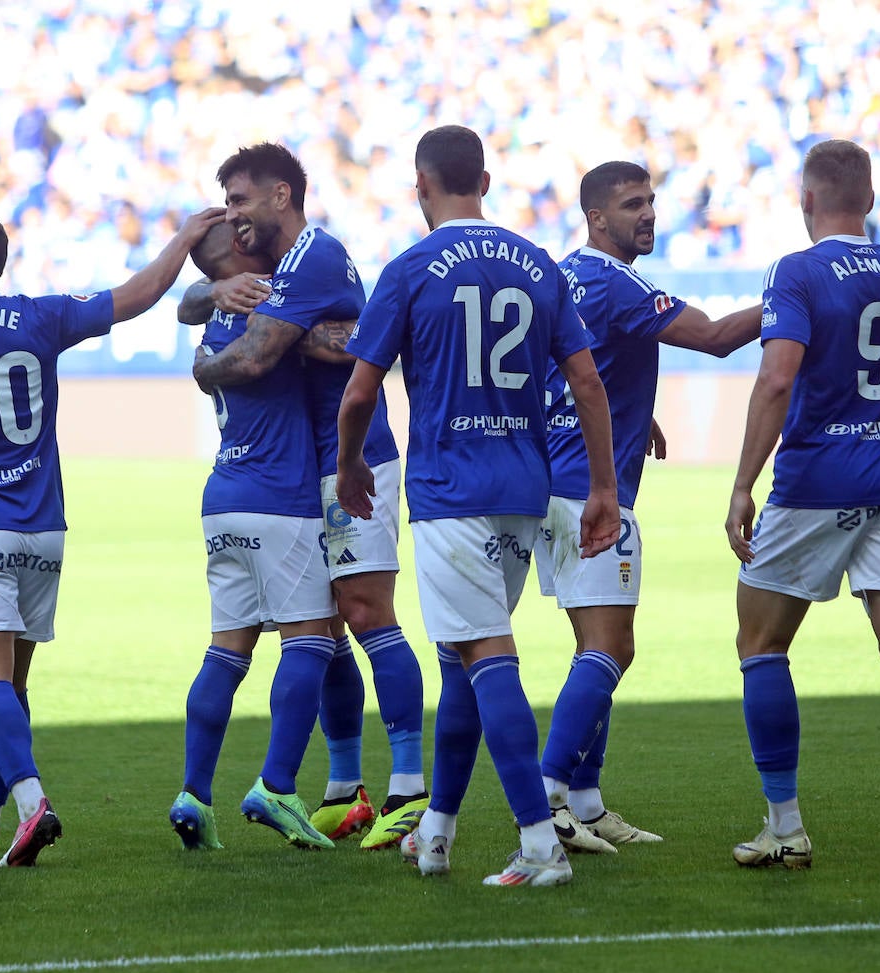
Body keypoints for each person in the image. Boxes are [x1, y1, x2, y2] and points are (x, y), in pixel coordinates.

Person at [0, 202, 226, 867]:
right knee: (12, 687)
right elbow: (136, 297)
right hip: (43, 535)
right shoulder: (39, 316)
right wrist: (184, 238)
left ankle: (33, 806)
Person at [336, 124, 619, 888]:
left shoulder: (410, 268)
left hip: (449, 492)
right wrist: (602, 488)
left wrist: (349, 463)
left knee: (486, 656)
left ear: (421, 186)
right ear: (484, 182)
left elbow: (361, 389)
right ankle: (437, 830)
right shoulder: (536, 263)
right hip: (522, 490)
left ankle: (539, 843)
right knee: (462, 661)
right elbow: (588, 384)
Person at [722, 139, 880, 876]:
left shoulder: (796, 271)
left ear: (808, 199)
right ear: (866, 199)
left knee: (760, 644)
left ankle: (786, 826)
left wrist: (740, 485)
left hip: (816, 481)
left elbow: (775, 380)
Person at [190, 143, 426, 849]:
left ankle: (411, 788)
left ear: (281, 196)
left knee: (365, 610)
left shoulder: (314, 256)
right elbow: (225, 307)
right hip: (312, 466)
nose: (233, 217)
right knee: (321, 628)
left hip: (356, 460)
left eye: (240, 200)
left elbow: (260, 354)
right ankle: (344, 789)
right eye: (227, 205)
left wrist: (207, 367)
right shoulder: (278, 272)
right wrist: (212, 295)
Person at [536, 161, 762, 852]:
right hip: (591, 491)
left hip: (550, 482)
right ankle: (545, 797)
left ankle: (587, 801)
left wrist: (636, 413)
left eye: (651, 202)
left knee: (591, 648)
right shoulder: (614, 282)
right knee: (612, 647)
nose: (649, 214)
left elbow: (573, 365)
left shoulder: (557, 275)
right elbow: (719, 337)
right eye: (633, 205)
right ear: (597, 218)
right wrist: (794, 296)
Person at [168, 220, 345, 851]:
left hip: (224, 497)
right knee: (313, 638)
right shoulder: (271, 304)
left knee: (226, 652)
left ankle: (193, 792)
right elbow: (340, 346)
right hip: (282, 498)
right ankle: (277, 784)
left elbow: (190, 304)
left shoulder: (211, 316)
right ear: (240, 255)